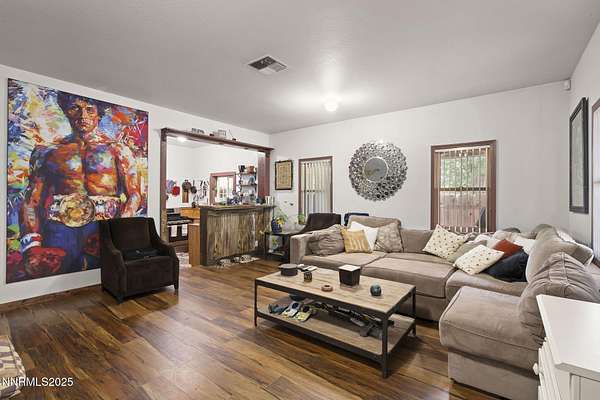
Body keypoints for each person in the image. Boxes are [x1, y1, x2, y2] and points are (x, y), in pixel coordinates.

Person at [19, 93, 142, 277]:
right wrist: (31, 246)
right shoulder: (47, 151)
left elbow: (135, 195)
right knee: (57, 281)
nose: (83, 115)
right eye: (75, 108)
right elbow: (31, 200)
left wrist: (116, 231)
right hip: (58, 230)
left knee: (108, 277)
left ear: (98, 114)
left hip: (105, 228)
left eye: (89, 110)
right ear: (66, 111)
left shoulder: (118, 150)